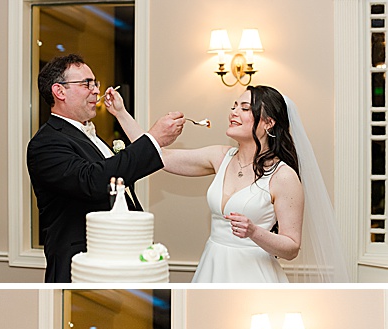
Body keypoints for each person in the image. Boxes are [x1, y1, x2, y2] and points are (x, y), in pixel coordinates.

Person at [104, 84, 349, 283]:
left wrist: (254, 232)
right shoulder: (220, 157)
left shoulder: (283, 176)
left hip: (254, 274)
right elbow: (160, 157)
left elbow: (291, 247)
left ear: (268, 122)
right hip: (213, 265)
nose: (233, 112)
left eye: (244, 108)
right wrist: (121, 114)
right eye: (234, 106)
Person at [26, 53, 186, 283]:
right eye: (86, 84)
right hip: (81, 264)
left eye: (95, 83)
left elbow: (117, 178)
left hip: (120, 258)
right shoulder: (46, 143)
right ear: (59, 92)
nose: (95, 90)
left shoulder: (90, 135)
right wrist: (153, 139)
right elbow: (93, 181)